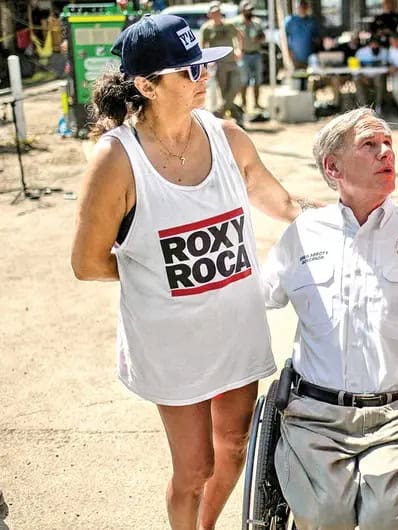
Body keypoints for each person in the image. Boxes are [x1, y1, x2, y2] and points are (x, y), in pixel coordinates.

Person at [70, 14, 304, 530]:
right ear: (147, 86)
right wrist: (152, 274)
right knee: (194, 468)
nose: (204, 76)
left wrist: (347, 215)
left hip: (236, 327)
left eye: (204, 64)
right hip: (171, 341)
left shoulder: (228, 136)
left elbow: (282, 202)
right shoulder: (116, 160)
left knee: (235, 446)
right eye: (189, 69)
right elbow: (86, 263)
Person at [261, 107, 398, 530]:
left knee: (385, 518)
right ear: (333, 167)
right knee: (324, 517)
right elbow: (257, 298)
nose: (386, 152)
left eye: (388, 143)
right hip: (315, 418)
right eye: (369, 145)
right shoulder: (304, 235)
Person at [201, 2, 244, 126]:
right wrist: (208, 60)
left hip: (232, 62)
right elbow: (203, 45)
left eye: (218, 12)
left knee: (235, 86)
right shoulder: (207, 28)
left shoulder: (229, 25)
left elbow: (240, 35)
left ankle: (218, 113)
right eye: (214, 13)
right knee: (225, 93)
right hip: (219, 65)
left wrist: (239, 50)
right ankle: (237, 116)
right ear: (210, 15)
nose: (216, 15)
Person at [235, 0, 265, 111]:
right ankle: (244, 104)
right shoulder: (237, 23)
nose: (249, 12)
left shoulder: (257, 23)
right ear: (242, 10)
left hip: (256, 54)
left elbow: (263, 37)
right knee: (244, 80)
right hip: (244, 55)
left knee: (258, 80)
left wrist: (259, 38)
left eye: (251, 10)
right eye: (247, 10)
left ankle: (256, 103)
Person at [353, 39, 388, 111]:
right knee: (357, 80)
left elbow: (387, 67)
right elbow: (355, 68)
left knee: (379, 80)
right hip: (364, 76)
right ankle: (364, 108)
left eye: (377, 45)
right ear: (369, 44)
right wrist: (362, 77)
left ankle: (378, 106)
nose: (375, 46)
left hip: (378, 76)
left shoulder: (384, 52)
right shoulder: (361, 52)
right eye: (373, 44)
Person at [284, 0, 320, 69]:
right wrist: (288, 51)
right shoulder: (290, 21)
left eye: (304, 7)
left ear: (307, 8)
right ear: (297, 8)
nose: (302, 9)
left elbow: (317, 40)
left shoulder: (312, 22)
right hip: (294, 58)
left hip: (309, 59)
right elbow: (284, 38)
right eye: (300, 7)